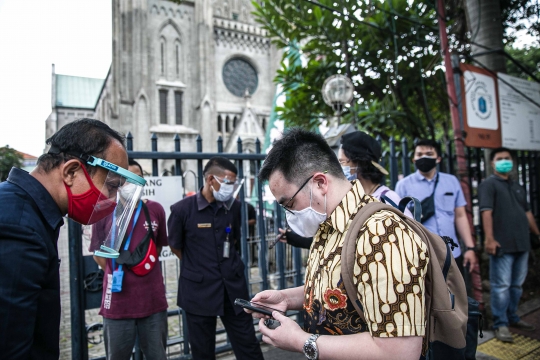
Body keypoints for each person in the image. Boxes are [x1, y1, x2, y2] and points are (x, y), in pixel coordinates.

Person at [250, 128, 429, 359]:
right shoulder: (328, 225)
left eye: (290, 203)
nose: (289, 214)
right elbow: (341, 289)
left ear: (320, 183)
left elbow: (400, 352)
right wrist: (286, 298)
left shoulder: (382, 233)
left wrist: (301, 341)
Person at [0, 118, 134, 359]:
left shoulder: (23, 209)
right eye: (112, 186)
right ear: (71, 171)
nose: (114, 200)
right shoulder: (18, 228)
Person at [167, 157, 264, 360]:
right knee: (203, 351)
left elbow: (234, 239)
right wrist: (200, 265)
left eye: (233, 183)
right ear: (211, 179)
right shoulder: (182, 210)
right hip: (198, 291)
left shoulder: (234, 207)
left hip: (233, 289)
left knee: (248, 345)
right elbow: (176, 246)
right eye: (228, 182)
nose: (231, 187)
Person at [277, 131, 411, 249]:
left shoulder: (388, 200)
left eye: (342, 162)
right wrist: (295, 239)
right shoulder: (348, 200)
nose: (339, 168)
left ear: (359, 163)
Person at [90, 159, 169, 359]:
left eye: (138, 178)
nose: (133, 184)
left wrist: (140, 264)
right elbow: (98, 255)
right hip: (117, 303)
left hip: (152, 301)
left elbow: (157, 246)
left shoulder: (155, 209)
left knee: (157, 355)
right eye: (127, 179)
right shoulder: (103, 211)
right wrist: (117, 267)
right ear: (117, 181)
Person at [478, 147, 539, 342]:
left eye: (507, 158)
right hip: (502, 245)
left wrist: (537, 233)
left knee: (516, 286)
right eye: (500, 158)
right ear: (492, 163)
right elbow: (486, 212)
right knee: (501, 286)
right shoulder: (488, 184)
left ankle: (513, 317)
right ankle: (500, 323)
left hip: (522, 244)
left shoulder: (517, 186)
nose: (504, 161)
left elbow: (527, 212)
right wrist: (489, 239)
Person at [395, 139, 477, 275]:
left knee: (456, 295)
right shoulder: (403, 185)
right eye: (419, 154)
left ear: (438, 158)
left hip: (451, 253)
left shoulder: (451, 181)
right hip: (420, 255)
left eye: (429, 153)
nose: (424, 158)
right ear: (414, 159)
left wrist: (470, 248)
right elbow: (398, 221)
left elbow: (460, 216)